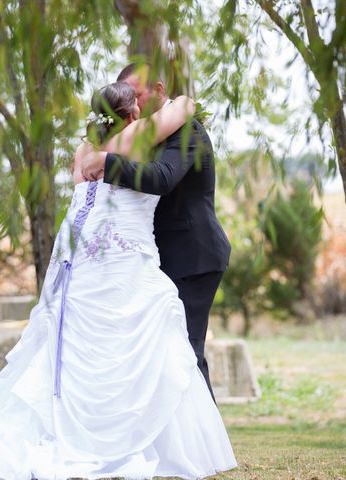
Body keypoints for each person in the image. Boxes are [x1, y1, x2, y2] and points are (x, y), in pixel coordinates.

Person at [0, 81, 237, 480]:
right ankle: (144, 444)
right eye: (137, 103)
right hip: (123, 265)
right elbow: (162, 157)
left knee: (146, 350)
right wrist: (181, 104)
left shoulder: (86, 153)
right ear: (134, 114)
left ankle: (127, 437)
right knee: (163, 351)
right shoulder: (136, 139)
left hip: (113, 265)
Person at [81, 62, 232, 399]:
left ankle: (205, 447)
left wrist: (107, 164)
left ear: (160, 91)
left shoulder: (186, 131)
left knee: (185, 351)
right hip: (154, 257)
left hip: (193, 255)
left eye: (137, 95)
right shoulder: (141, 134)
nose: (132, 106)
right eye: (127, 100)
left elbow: (163, 179)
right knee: (157, 353)